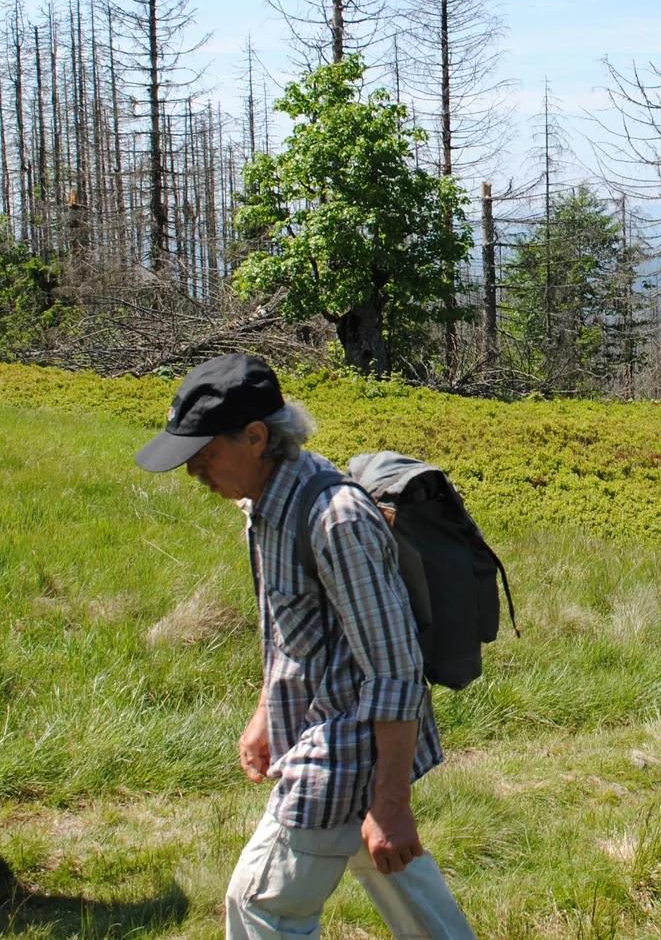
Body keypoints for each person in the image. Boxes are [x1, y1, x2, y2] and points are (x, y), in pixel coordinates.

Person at [135, 353, 474, 939]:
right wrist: (267, 711)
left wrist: (390, 803)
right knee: (391, 868)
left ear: (256, 437)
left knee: (261, 904)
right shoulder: (265, 507)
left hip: (347, 746)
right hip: (333, 737)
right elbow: (291, 630)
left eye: (203, 452)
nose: (194, 470)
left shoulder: (334, 519)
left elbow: (396, 671)